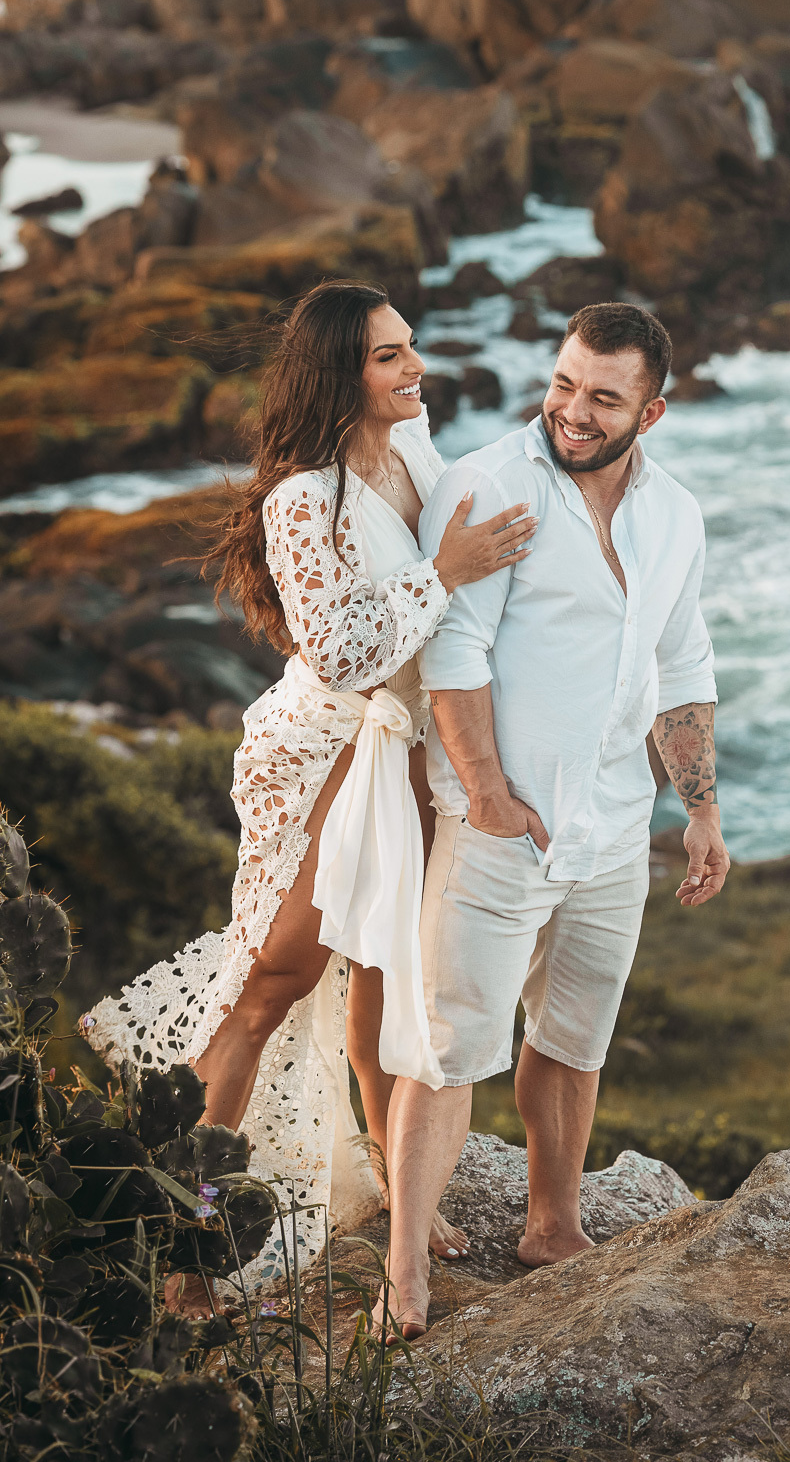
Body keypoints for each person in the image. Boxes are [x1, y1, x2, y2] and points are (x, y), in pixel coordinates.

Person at [82, 280, 537, 1314]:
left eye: (411, 346)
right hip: (326, 754)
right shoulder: (302, 498)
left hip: (408, 753)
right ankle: (190, 1244)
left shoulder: (419, 453)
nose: (415, 366)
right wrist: (446, 573)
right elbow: (336, 652)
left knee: (382, 980)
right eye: (389, 356)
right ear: (342, 372)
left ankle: (388, 1187)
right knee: (265, 992)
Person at [380, 300, 730, 1340]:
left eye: (603, 397)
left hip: (618, 825)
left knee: (574, 1039)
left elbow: (682, 664)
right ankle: (401, 1271)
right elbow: (452, 650)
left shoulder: (676, 516)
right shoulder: (486, 482)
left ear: (651, 410)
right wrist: (485, 792)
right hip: (500, 828)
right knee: (449, 1050)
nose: (571, 411)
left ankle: (552, 1223)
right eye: (565, 383)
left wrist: (699, 809)